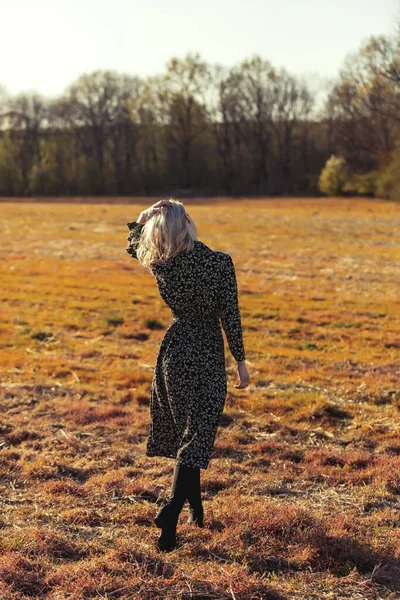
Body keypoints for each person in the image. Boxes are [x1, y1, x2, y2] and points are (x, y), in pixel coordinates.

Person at [126, 198, 250, 552]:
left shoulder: (161, 264)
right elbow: (231, 315)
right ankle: (171, 509)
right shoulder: (219, 263)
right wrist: (240, 361)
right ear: (189, 222)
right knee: (196, 439)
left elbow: (132, 242)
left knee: (189, 438)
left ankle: (191, 512)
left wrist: (147, 214)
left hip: (176, 351)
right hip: (207, 351)